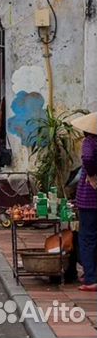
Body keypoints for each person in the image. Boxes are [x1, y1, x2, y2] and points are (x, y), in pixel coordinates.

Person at [71, 112, 97, 291]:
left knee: (87, 237)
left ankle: (91, 277)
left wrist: (92, 174)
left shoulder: (90, 142)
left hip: (90, 198)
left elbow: (87, 159)